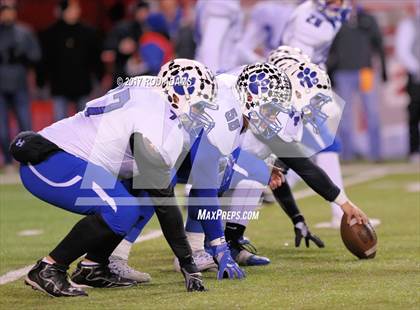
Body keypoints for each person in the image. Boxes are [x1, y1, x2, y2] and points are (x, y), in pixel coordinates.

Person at [10, 59, 221, 297]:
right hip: (51, 161)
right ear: (177, 94)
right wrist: (188, 263)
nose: (201, 110)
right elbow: (164, 202)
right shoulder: (154, 119)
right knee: (124, 208)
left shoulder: (150, 94)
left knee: (135, 198)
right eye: (199, 103)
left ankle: (93, 267)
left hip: (73, 160)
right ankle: (49, 268)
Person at [328, 0, 387, 161]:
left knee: (372, 113)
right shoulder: (336, 19)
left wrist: (384, 70)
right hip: (343, 72)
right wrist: (330, 72)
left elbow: (379, 44)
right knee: (345, 117)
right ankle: (347, 155)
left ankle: (376, 153)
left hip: (365, 72)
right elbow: (330, 48)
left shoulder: (367, 18)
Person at [39, 0, 102, 121]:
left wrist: (99, 75)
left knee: (85, 122)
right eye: (72, 9)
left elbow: (95, 56)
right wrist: (41, 80)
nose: (76, 11)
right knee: (59, 123)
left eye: (77, 8)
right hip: (59, 86)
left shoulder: (88, 32)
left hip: (82, 84)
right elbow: (45, 59)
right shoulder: (51, 33)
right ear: (63, 11)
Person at [0, 0, 40, 171]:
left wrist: (23, 57)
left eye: (11, 11)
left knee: (25, 125)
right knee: (2, 128)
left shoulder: (25, 32)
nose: (8, 14)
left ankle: (29, 160)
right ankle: (8, 161)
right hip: (0, 86)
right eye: (5, 11)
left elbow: (36, 55)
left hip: (20, 85)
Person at [103, 0, 150, 86]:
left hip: (144, 74)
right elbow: (108, 50)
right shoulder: (123, 27)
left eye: (145, 12)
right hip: (124, 74)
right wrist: (120, 47)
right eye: (141, 11)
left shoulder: (150, 27)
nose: (143, 14)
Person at [395, 2, 420, 163]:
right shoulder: (409, 24)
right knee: (415, 113)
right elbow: (402, 50)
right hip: (416, 75)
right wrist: (417, 68)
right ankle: (414, 151)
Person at [194, 0, 243, 72]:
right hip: (219, 72)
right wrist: (213, 78)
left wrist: (257, 60)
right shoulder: (222, 2)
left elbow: (233, 45)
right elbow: (210, 47)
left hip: (212, 70)